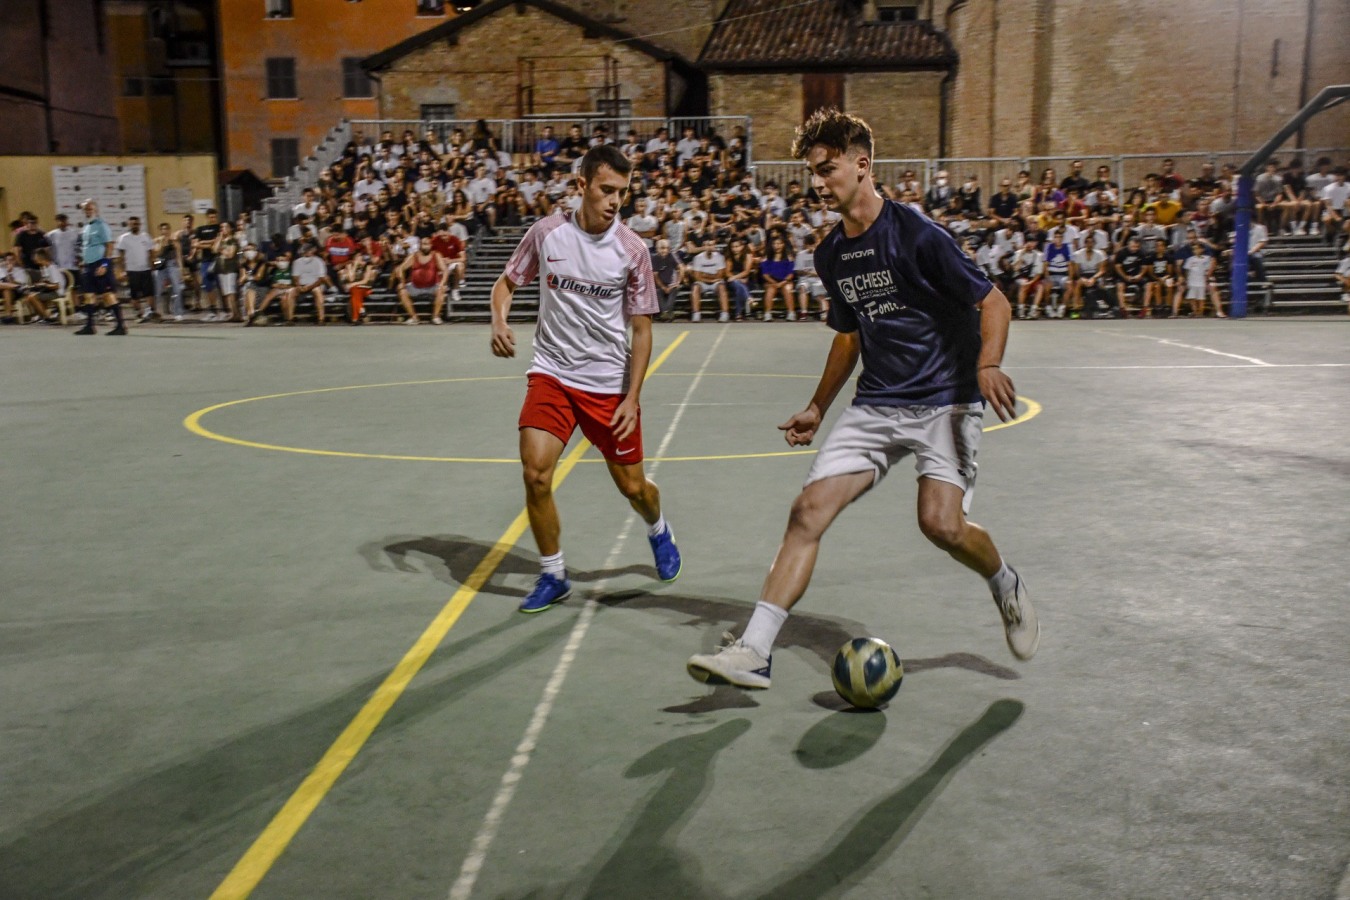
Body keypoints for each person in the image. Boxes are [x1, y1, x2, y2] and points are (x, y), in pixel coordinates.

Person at [686, 109, 1036, 691]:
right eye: (813, 173)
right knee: (807, 512)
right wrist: (818, 407)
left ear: (862, 165)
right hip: (877, 403)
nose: (818, 183)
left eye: (827, 169)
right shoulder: (832, 254)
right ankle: (754, 651)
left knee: (940, 525)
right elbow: (849, 336)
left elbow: (993, 302)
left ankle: (1005, 582)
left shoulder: (918, 235)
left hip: (946, 400)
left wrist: (988, 364)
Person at [489, 144, 681, 613]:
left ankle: (658, 529)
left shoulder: (632, 250)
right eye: (606, 189)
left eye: (623, 192)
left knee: (634, 488)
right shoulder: (547, 233)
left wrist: (632, 397)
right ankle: (553, 573)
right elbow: (506, 283)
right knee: (536, 474)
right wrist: (498, 320)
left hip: (607, 384)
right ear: (581, 185)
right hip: (552, 372)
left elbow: (641, 330)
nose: (615, 201)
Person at [75, 200, 125, 335]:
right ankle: (90, 326)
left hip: (100, 264)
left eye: (90, 209)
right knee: (88, 295)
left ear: (96, 210)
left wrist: (105, 264)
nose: (88, 211)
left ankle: (121, 325)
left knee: (108, 295)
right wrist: (83, 261)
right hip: (88, 265)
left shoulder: (102, 225)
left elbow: (109, 245)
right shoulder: (86, 227)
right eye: (86, 209)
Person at [396, 236, 448, 325]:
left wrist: (442, 283)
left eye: (427, 244)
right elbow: (401, 268)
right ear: (420, 245)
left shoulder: (436, 255)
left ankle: (435, 317)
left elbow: (445, 270)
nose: (425, 247)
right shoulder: (414, 256)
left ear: (431, 245)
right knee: (401, 291)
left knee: (442, 289)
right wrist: (402, 282)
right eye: (423, 244)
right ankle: (414, 317)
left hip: (432, 286)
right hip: (415, 287)